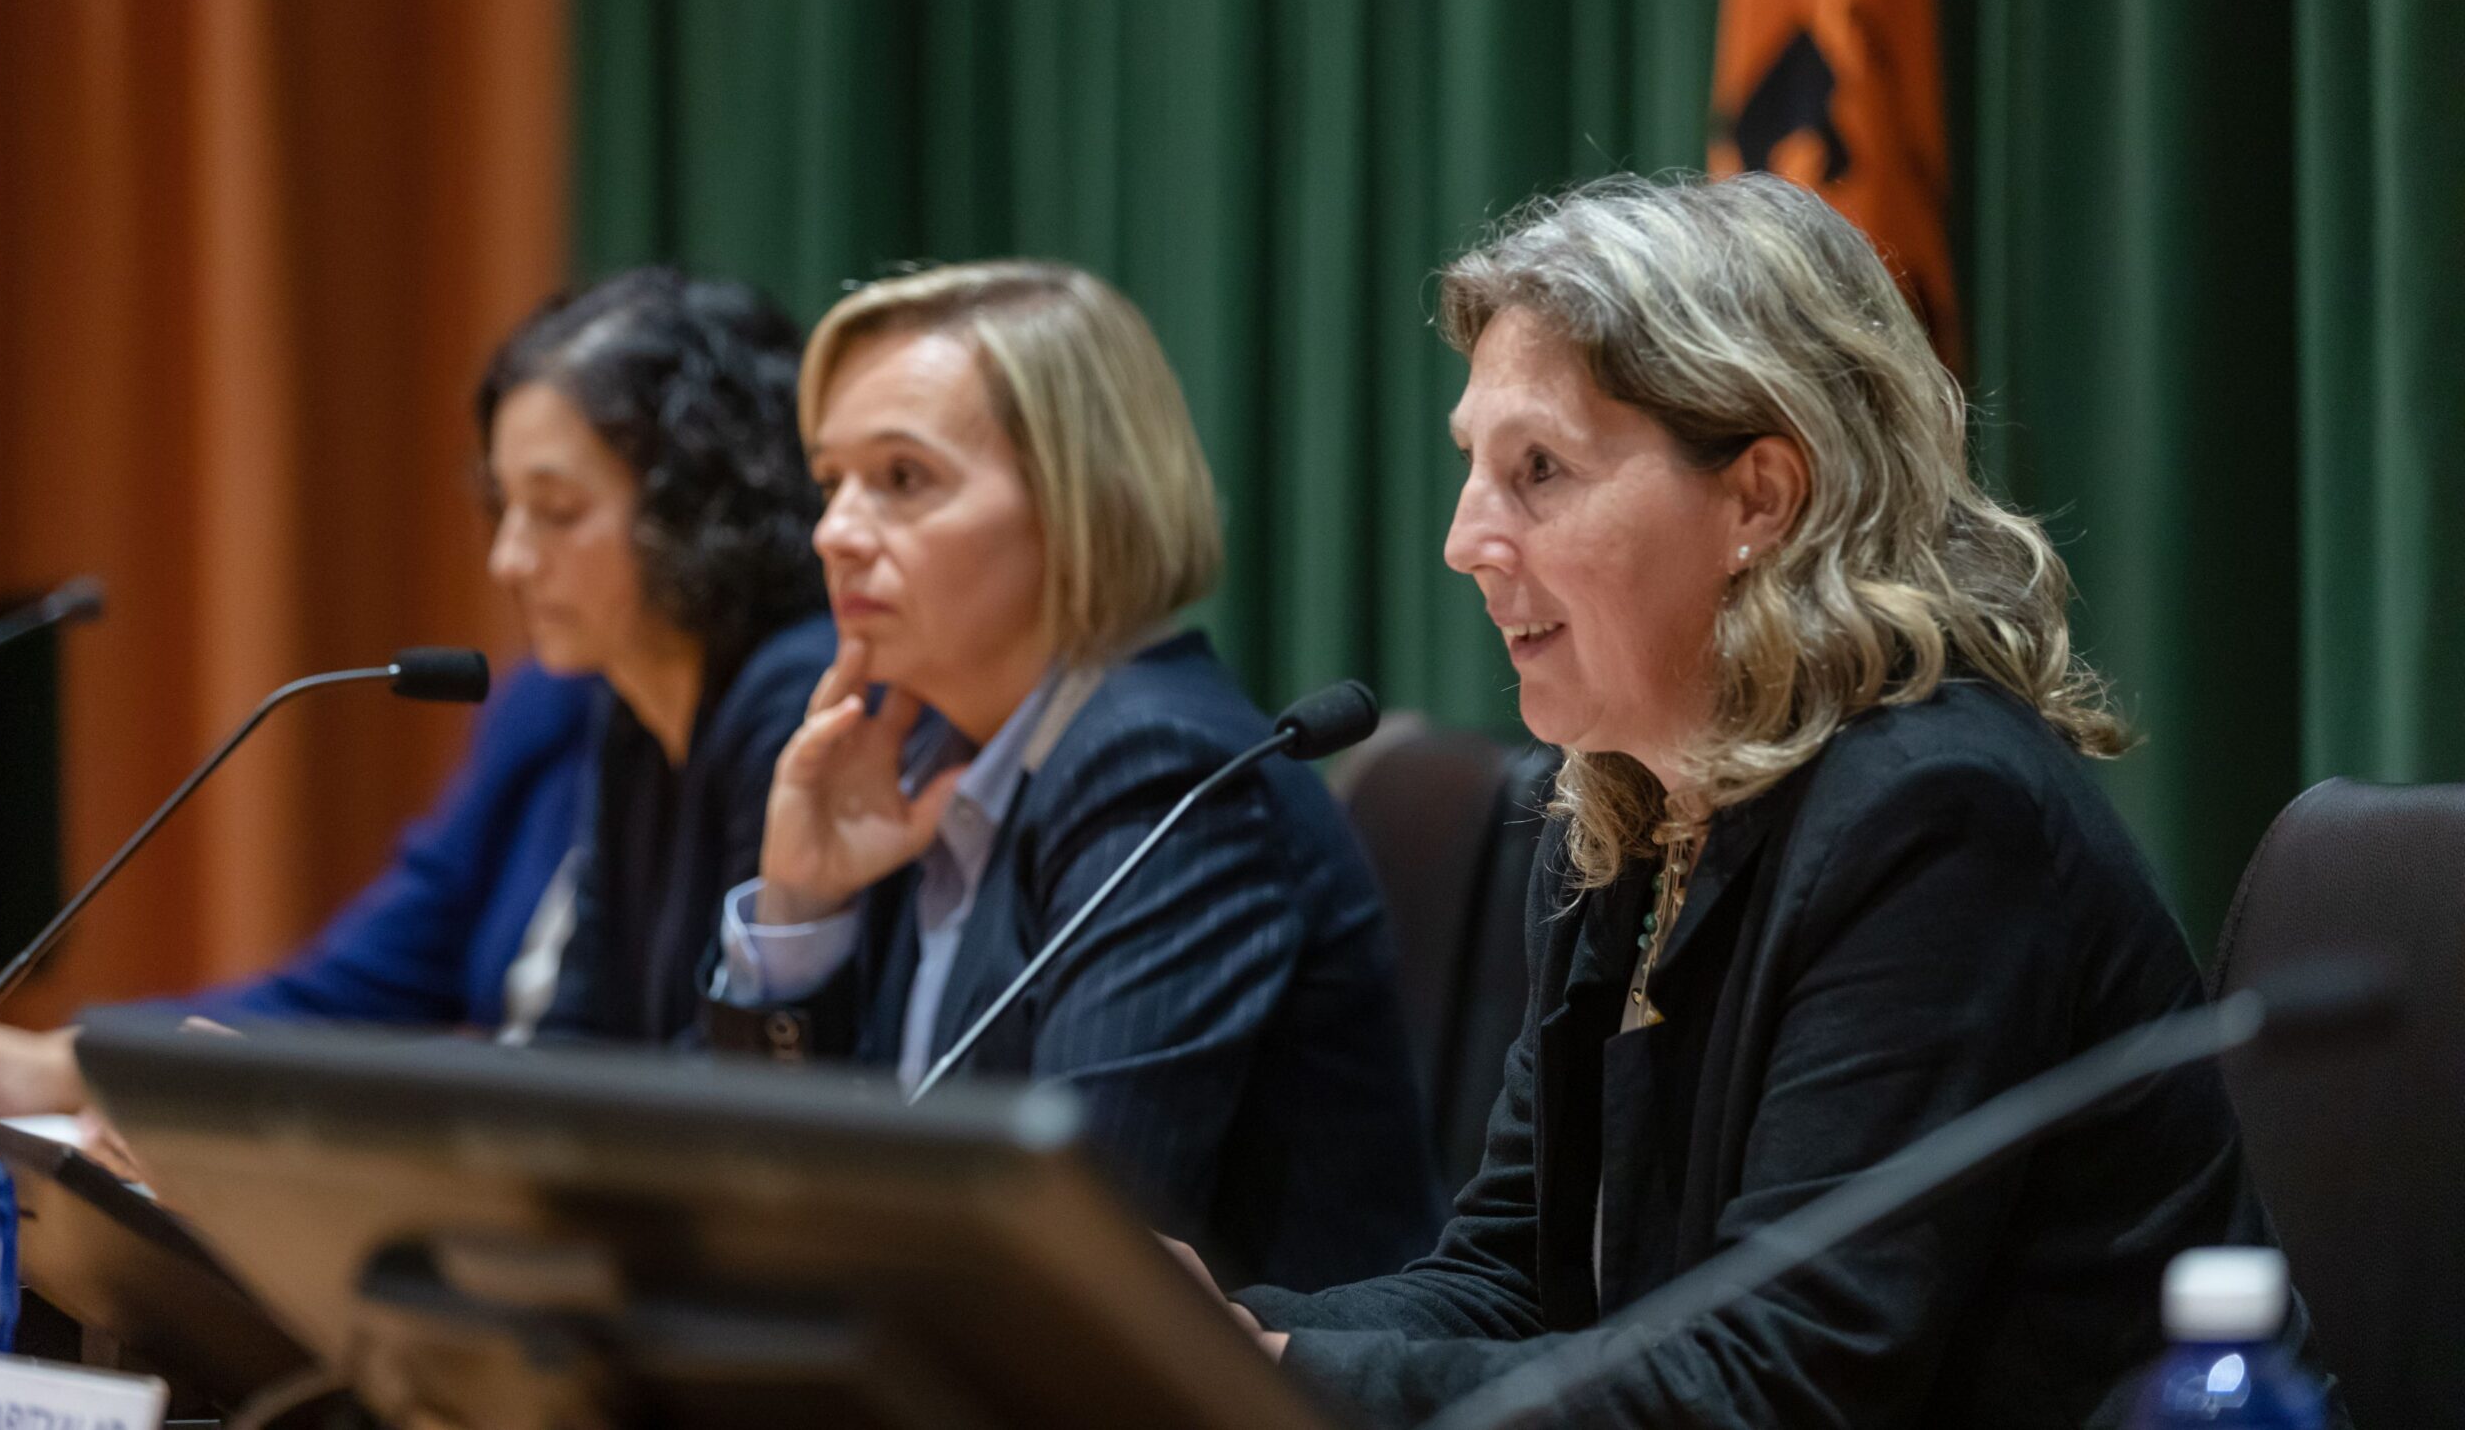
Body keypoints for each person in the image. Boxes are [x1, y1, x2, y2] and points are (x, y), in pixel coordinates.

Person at [1199, 175, 2332, 1426]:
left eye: (1540, 470)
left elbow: (1783, 1383)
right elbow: (1515, 1283)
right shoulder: (1625, 812)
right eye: (1474, 464)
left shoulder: (1937, 819)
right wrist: (1215, 1343)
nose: (1466, 540)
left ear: (1759, 498)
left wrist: (1279, 1371)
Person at [705, 259, 1444, 1291]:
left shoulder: (1160, 769)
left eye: (902, 479)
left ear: (1080, 501)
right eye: (831, 482)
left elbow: (1072, 1248)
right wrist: (801, 908)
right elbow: (760, 1191)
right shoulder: (912, 754)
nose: (834, 532)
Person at [0, 267, 835, 1111]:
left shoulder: (793, 697)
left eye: (558, 512)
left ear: (695, 508)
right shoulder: (620, 709)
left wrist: (318, 1108)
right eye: (503, 507)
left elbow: (720, 1088)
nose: (507, 561)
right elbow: (575, 1049)